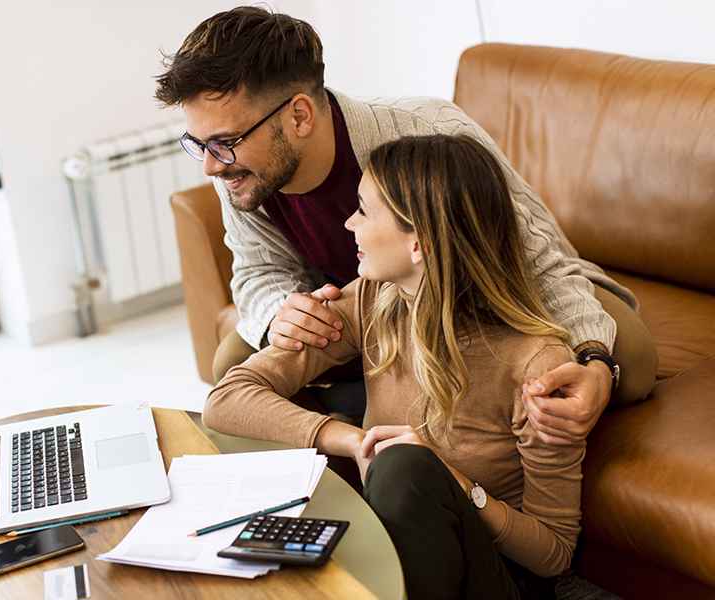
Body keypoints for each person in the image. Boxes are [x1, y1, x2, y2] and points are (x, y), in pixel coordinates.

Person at [155, 7, 658, 443]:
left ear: (300, 116)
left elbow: (537, 258)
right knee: (232, 365)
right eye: (198, 145)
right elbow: (257, 272)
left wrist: (595, 360)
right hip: (355, 317)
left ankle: (398, 397)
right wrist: (281, 313)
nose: (211, 166)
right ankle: (360, 425)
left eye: (223, 143)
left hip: (471, 305)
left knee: (630, 361)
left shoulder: (429, 132)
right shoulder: (238, 172)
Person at [206, 134, 585, 599]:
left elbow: (554, 554)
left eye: (363, 210)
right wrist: (355, 442)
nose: (348, 223)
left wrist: (460, 485)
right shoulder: (373, 301)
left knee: (406, 466)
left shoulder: (536, 365)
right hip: (395, 556)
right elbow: (227, 398)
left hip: (491, 579)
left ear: (418, 244)